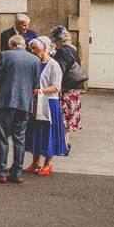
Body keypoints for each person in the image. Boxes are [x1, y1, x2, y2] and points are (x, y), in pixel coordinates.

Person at [0, 35, 40, 184]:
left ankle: (0, 171)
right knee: (19, 138)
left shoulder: (5, 55)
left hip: (6, 100)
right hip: (25, 102)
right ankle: (16, 173)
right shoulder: (35, 59)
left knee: (2, 136)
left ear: (11, 45)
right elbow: (36, 83)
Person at [23, 37, 68, 175]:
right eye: (31, 49)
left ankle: (48, 163)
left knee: (48, 132)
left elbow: (56, 87)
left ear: (43, 48)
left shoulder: (54, 65)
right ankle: (36, 161)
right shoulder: (35, 63)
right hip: (36, 102)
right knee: (35, 130)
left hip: (49, 102)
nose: (32, 51)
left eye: (34, 49)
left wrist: (41, 91)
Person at [50, 25, 83, 152]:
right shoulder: (72, 49)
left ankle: (63, 145)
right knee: (68, 116)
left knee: (63, 116)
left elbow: (59, 70)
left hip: (66, 89)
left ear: (59, 40)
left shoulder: (61, 52)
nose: (53, 42)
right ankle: (66, 143)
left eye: (54, 40)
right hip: (74, 89)